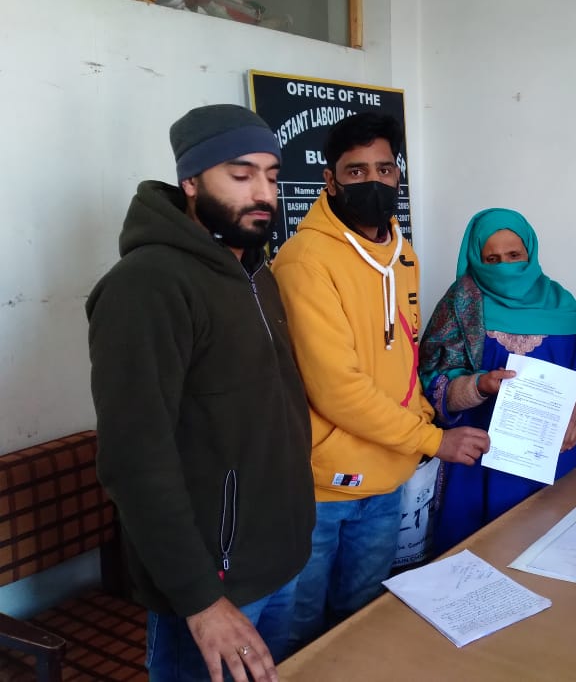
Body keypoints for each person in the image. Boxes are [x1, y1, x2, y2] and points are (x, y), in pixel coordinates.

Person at [86, 104, 315, 682]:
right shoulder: (148, 286)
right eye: (241, 175)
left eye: (271, 174)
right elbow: (135, 461)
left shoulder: (255, 271)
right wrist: (201, 602)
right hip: (215, 587)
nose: (263, 192)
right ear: (191, 181)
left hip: (280, 561)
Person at [271, 113, 490, 649]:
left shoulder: (404, 255)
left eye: (385, 168)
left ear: (399, 175)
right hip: (323, 486)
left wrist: (421, 424)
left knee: (362, 617)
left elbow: (405, 358)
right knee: (301, 629)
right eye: (355, 171)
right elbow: (335, 387)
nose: (373, 181)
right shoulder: (306, 260)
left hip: (388, 478)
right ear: (330, 180)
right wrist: (433, 440)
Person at [419, 208, 576, 556]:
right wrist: (478, 385)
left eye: (514, 256)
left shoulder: (561, 305)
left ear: (530, 253)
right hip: (476, 464)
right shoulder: (460, 306)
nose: (505, 266)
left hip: (550, 462)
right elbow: (431, 377)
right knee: (473, 568)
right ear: (476, 259)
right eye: (491, 259)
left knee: (552, 564)